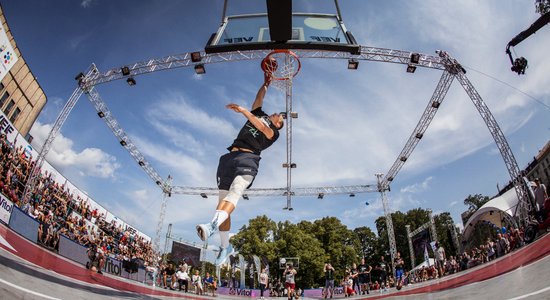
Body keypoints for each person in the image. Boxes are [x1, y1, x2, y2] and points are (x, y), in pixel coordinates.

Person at [196, 75, 284, 265]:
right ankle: (225, 246)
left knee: (234, 194)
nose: (278, 113)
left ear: (278, 125)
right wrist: (266, 83)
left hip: (248, 159)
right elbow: (259, 98)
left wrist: (244, 111)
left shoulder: (273, 133)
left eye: (281, 117)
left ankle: (211, 225)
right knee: (222, 204)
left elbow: (259, 125)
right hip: (228, 159)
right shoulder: (260, 113)